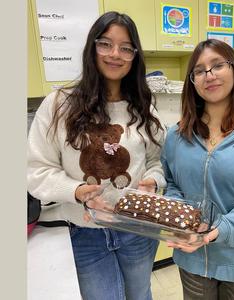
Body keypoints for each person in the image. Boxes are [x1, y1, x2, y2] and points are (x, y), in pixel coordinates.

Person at [27, 11, 166, 300]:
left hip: (137, 227)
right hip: (84, 231)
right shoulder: (59, 105)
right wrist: (76, 190)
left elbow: (157, 161)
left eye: (126, 47)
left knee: (140, 295)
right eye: (106, 43)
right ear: (92, 47)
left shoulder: (144, 107)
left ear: (134, 56)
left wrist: (152, 181)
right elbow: (37, 170)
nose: (115, 54)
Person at [161, 39, 234, 300]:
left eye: (217, 65)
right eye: (199, 70)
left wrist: (216, 230)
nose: (209, 75)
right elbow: (173, 185)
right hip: (194, 260)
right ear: (192, 82)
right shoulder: (177, 135)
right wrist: (180, 222)